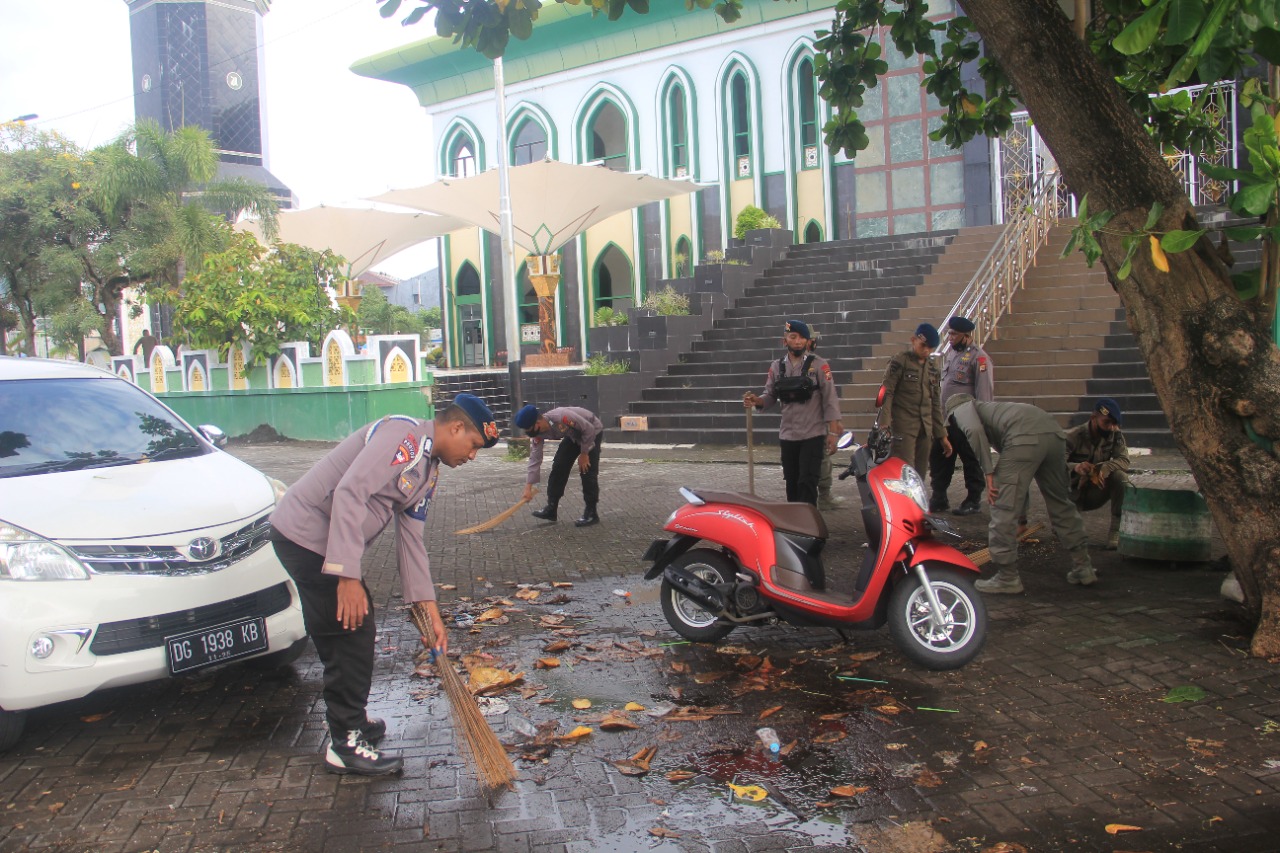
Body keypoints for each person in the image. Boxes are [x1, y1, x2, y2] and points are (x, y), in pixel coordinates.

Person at [269, 393, 499, 776]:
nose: (472, 455)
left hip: (325, 545)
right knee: (351, 630)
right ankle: (345, 744)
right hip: (305, 537)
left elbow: (411, 542)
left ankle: (352, 722)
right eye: (473, 445)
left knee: (349, 630)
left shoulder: (427, 471)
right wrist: (346, 576)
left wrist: (428, 613)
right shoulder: (404, 438)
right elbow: (349, 491)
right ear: (456, 427)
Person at [945, 393, 1096, 594]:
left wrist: (988, 473)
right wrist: (1022, 520)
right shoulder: (999, 414)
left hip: (1025, 437)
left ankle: (1007, 577)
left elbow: (972, 429)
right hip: (1054, 433)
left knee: (1000, 503)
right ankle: (1083, 566)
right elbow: (1019, 481)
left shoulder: (961, 408)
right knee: (1061, 502)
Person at [743, 319, 843, 506]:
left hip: (813, 434)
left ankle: (808, 527)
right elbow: (770, 395)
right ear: (785, 341)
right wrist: (757, 401)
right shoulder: (776, 367)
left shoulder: (820, 366)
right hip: (788, 435)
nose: (797, 341)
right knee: (791, 482)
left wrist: (833, 432)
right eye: (793, 337)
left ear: (808, 342)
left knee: (807, 482)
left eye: (802, 338)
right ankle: (794, 526)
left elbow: (830, 398)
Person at [929, 316, 994, 515]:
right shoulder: (951, 354)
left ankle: (973, 500)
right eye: (949, 333)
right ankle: (939, 497)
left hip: (966, 418)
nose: (949, 337)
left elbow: (984, 393)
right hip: (947, 419)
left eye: (954, 334)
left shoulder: (979, 357)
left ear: (966, 336)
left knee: (970, 458)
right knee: (939, 456)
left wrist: (982, 420)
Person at [879, 323, 951, 478]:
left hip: (925, 429)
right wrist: (884, 423)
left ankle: (917, 503)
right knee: (905, 472)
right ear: (913, 340)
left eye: (930, 348)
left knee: (920, 474)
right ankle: (904, 503)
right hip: (904, 427)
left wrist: (942, 435)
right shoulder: (900, 361)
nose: (926, 350)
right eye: (923, 345)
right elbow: (886, 392)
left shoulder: (933, 368)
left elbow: (935, 403)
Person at [517, 404, 605, 527]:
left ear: (538, 422)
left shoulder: (561, 416)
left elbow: (588, 429)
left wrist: (584, 454)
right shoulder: (537, 432)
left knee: (587, 470)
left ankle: (591, 512)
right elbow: (535, 459)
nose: (529, 432)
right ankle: (551, 508)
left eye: (529, 429)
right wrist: (528, 487)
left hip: (591, 431)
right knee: (559, 466)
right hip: (573, 435)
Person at [1065, 397, 1131, 550]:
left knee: (1120, 477)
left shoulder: (1115, 434)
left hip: (1095, 491)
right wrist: (1077, 468)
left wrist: (1104, 467)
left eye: (1115, 423)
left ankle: (1116, 531)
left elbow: (1124, 460)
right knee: (1071, 540)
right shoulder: (1074, 436)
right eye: (1106, 422)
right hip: (1070, 494)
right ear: (1093, 418)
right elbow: (1055, 466)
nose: (1111, 427)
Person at [808, 330, 846, 511]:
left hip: (816, 420)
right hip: (806, 422)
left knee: (822, 457)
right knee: (820, 459)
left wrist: (834, 422)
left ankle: (822, 495)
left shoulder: (820, 364)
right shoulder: (786, 365)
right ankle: (819, 496)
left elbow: (829, 396)